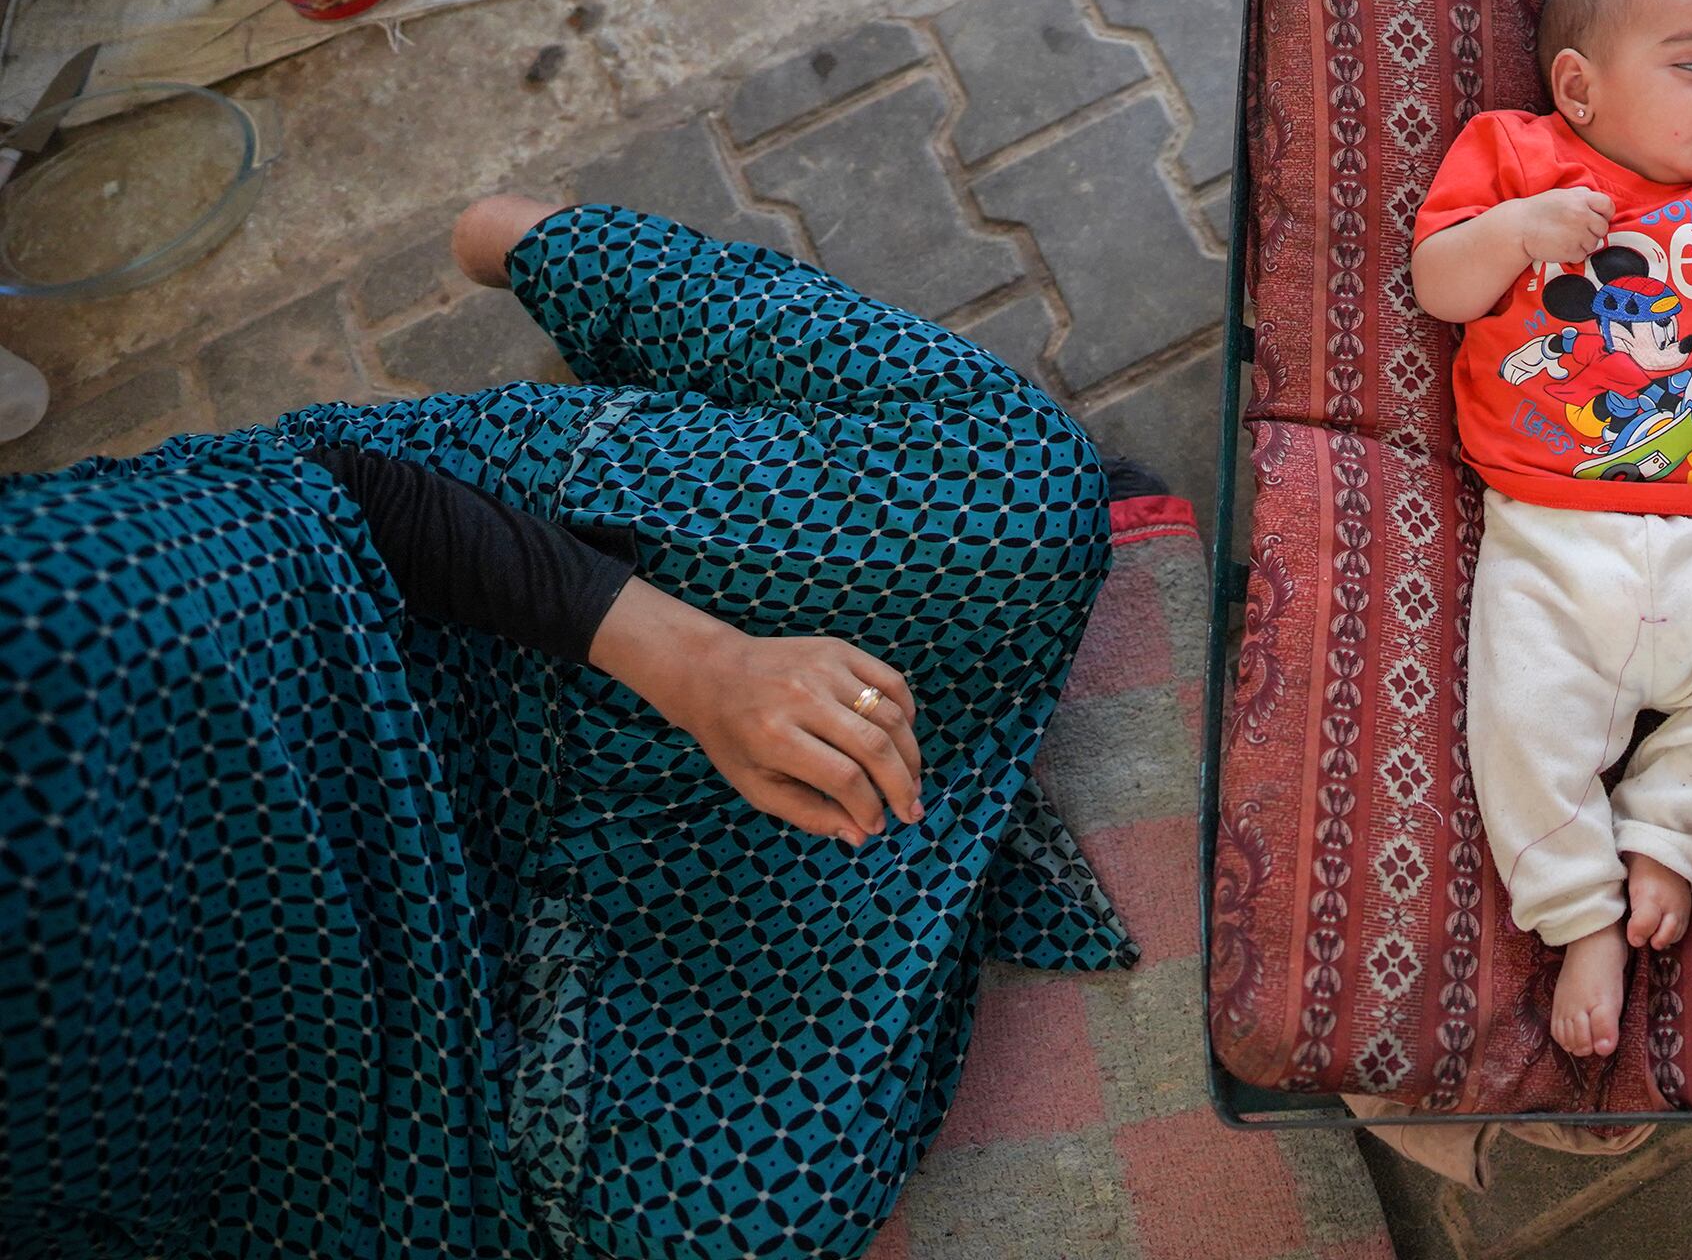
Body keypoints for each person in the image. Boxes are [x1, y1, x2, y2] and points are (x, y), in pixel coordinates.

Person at [2, 197, 1151, 1258]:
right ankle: (888, 828)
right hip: (448, 1041)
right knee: (747, 1225)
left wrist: (708, 666)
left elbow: (349, 503)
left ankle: (544, 244)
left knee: (1018, 496)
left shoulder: (47, 616)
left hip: (489, 633)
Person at [1410, 0, 1692, 1060]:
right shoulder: (1513, 150)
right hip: (1553, 535)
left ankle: (1665, 828)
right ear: (1579, 88)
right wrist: (1514, 229)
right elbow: (1441, 288)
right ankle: (1581, 913)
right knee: (1520, 726)